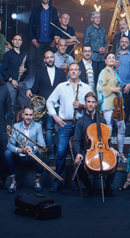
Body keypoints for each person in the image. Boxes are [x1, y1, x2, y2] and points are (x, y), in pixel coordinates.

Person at [46, 62, 92, 192]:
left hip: (80, 124)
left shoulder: (86, 87)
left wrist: (82, 106)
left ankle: (74, 181)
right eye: (71, 69)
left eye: (75, 70)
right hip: (65, 123)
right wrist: (55, 116)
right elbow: (49, 102)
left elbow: (93, 105)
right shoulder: (61, 87)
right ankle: (58, 181)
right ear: (68, 72)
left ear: (79, 72)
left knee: (77, 153)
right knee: (61, 153)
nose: (73, 72)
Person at [72, 92, 117, 198]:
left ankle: (108, 186)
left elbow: (106, 139)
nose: (91, 104)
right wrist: (78, 153)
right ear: (85, 103)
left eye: (93, 102)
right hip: (87, 149)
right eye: (88, 102)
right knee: (81, 162)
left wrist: (111, 148)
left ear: (96, 104)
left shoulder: (101, 120)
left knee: (115, 156)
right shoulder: (81, 122)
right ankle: (88, 187)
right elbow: (76, 141)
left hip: (102, 148)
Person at [26, 51, 66, 159]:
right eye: (47, 57)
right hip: (47, 106)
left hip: (59, 105)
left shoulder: (61, 72)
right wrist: (30, 90)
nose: (49, 59)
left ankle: (61, 152)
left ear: (54, 58)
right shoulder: (40, 72)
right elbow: (35, 87)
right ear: (44, 60)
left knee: (61, 128)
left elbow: (65, 88)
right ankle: (51, 152)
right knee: (48, 129)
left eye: (51, 57)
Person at [5, 105, 46, 193]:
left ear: (33, 116)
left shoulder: (38, 126)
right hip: (19, 156)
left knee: (42, 152)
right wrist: (19, 150)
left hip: (32, 157)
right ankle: (13, 182)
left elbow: (42, 144)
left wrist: (32, 148)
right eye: (26, 115)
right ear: (22, 115)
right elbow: (9, 145)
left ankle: (37, 181)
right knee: (7, 153)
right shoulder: (16, 126)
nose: (28, 117)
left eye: (30, 115)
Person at [97, 52, 127, 161]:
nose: (111, 59)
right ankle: (109, 150)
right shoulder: (104, 72)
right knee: (108, 128)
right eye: (109, 58)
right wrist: (112, 89)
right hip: (108, 102)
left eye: (113, 57)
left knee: (122, 127)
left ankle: (121, 152)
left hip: (117, 103)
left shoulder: (114, 71)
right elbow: (100, 87)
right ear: (105, 60)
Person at [28, 0, 60, 68]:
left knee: (53, 63)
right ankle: (40, 80)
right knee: (39, 64)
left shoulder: (53, 10)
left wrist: (55, 39)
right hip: (39, 41)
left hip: (51, 41)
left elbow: (57, 25)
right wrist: (32, 38)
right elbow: (30, 25)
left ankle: (51, 80)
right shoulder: (36, 10)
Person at [2, 33, 29, 113]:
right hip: (11, 82)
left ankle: (24, 123)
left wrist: (24, 70)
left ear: (21, 42)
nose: (17, 41)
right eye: (15, 40)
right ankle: (10, 124)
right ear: (12, 41)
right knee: (11, 105)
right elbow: (3, 70)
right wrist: (11, 80)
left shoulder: (24, 54)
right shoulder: (7, 55)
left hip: (21, 82)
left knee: (27, 104)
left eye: (19, 40)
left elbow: (28, 68)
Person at [116, 36, 130, 128]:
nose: (124, 43)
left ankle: (125, 131)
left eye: (126, 42)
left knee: (126, 110)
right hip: (115, 87)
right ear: (119, 43)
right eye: (122, 41)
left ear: (129, 44)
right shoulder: (115, 55)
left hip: (126, 87)